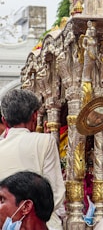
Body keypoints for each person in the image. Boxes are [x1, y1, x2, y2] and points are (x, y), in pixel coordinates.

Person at [0, 89, 65, 230]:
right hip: (40, 223)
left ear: (4, 121)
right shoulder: (44, 141)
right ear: (35, 116)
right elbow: (56, 194)